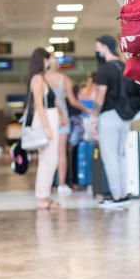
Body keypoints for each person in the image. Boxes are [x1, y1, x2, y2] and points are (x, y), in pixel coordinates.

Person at [91, 35, 132, 208]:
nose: (97, 51)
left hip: (108, 116)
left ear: (105, 47)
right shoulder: (124, 66)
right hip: (124, 117)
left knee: (110, 157)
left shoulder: (104, 69)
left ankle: (116, 197)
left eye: (98, 47)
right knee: (121, 156)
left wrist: (93, 117)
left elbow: (100, 96)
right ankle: (122, 193)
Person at [45, 55, 87, 196]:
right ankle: (62, 184)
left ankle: (48, 184)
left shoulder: (42, 79)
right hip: (62, 118)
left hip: (47, 118)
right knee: (61, 153)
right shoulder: (64, 79)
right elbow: (73, 101)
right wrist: (88, 109)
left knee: (46, 153)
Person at [26, 48, 59, 209]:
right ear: (42, 60)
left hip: (49, 119)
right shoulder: (37, 79)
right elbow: (39, 103)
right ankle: (42, 197)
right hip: (46, 120)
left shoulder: (42, 78)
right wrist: (47, 128)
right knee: (48, 160)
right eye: (47, 59)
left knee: (49, 160)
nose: (49, 63)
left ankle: (44, 196)